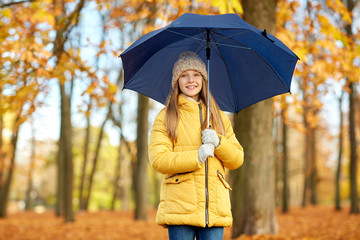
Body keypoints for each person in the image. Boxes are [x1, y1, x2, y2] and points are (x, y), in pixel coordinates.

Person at [148, 51, 244, 240]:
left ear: (203, 79)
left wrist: (218, 143)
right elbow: (158, 160)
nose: (190, 80)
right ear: (177, 81)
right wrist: (196, 156)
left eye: (196, 74)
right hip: (180, 206)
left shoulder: (218, 116)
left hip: (214, 208)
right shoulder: (166, 116)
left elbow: (237, 159)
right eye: (184, 75)